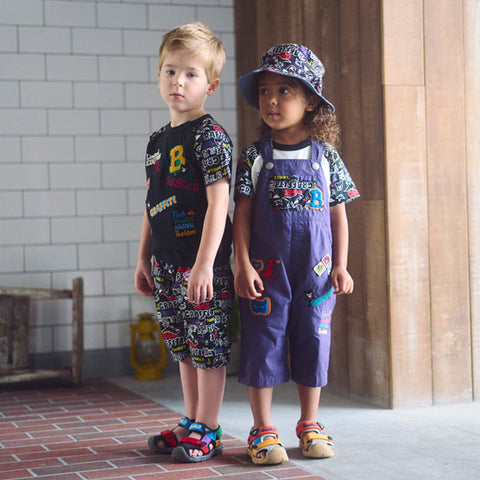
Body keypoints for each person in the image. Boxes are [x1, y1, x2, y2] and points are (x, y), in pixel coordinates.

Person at [233, 43, 360, 465]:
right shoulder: (254, 157)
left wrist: (341, 265)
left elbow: (338, 215)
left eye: (284, 91)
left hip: (316, 272)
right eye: (264, 91)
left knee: (314, 340)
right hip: (265, 273)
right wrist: (242, 263)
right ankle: (262, 428)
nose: (271, 100)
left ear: (310, 102)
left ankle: (309, 423)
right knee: (262, 341)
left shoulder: (327, 159)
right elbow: (242, 216)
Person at [134, 22, 234, 464]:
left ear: (210, 85)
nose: (178, 81)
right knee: (182, 345)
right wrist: (143, 257)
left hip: (201, 266)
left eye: (191, 73)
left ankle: (209, 428)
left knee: (207, 347)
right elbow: (151, 202)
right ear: (158, 76)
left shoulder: (210, 137)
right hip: (165, 261)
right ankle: (190, 420)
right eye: (170, 71)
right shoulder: (157, 142)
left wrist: (205, 264)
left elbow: (219, 204)